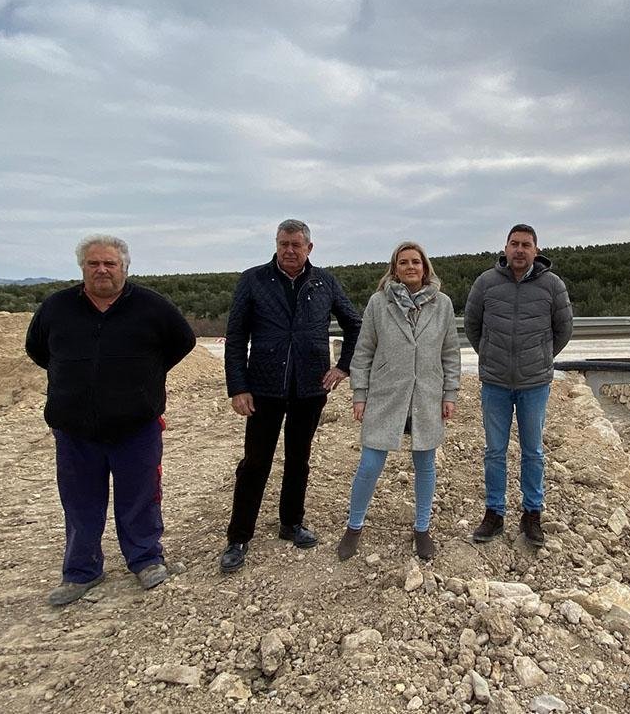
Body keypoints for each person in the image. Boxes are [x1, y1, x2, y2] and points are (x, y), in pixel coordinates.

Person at [25, 235, 196, 606]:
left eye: (110, 264)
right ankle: (81, 571)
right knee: (79, 501)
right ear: (82, 268)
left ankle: (146, 559)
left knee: (140, 497)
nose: (101, 270)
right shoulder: (57, 308)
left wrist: (147, 376)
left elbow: (183, 341)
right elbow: (37, 349)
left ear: (124, 267)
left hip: (136, 426)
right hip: (74, 429)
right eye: (93, 263)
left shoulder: (151, 306)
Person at [220, 219, 361, 573]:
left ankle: (291, 523)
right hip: (263, 389)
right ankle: (238, 537)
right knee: (255, 463)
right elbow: (235, 337)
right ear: (276, 244)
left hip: (309, 389)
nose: (289, 250)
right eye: (283, 243)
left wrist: (343, 367)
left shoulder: (324, 282)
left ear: (309, 248)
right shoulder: (253, 279)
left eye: (296, 244)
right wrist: (238, 387)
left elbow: (355, 324)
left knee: (299, 459)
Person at [338, 242, 461, 561]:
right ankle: (354, 526)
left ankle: (422, 529)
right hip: (386, 394)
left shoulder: (442, 304)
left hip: (426, 395)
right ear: (394, 269)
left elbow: (450, 353)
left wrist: (450, 393)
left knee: (425, 465)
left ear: (425, 267)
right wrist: (359, 394)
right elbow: (363, 351)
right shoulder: (379, 304)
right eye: (403, 262)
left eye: (416, 262)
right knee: (369, 464)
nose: (410, 267)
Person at [464, 224, 573, 547]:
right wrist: (489, 355)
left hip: (534, 383)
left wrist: (540, 357)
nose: (520, 250)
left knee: (533, 452)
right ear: (505, 247)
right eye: (514, 244)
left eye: (526, 244)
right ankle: (494, 513)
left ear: (536, 250)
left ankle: (532, 515)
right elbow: (472, 324)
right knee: (494, 451)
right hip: (495, 382)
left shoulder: (552, 285)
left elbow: (563, 329)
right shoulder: (486, 283)